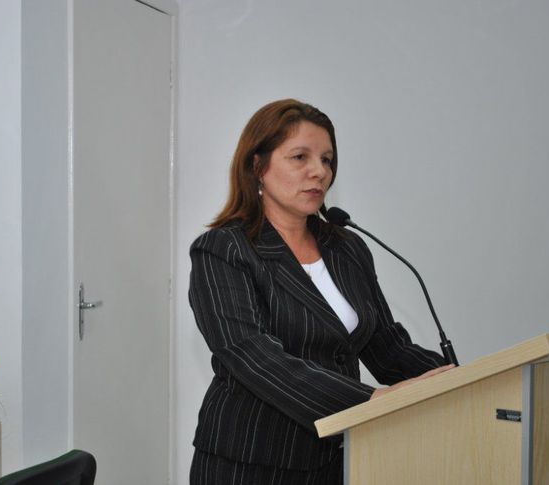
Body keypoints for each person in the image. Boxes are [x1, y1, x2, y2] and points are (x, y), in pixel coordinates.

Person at [188, 99, 453, 484]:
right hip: (251, 463)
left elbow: (386, 348)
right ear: (258, 166)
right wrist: (372, 400)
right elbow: (256, 359)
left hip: (338, 460)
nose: (319, 171)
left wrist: (460, 380)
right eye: (300, 157)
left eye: (327, 160)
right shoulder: (224, 249)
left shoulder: (347, 247)